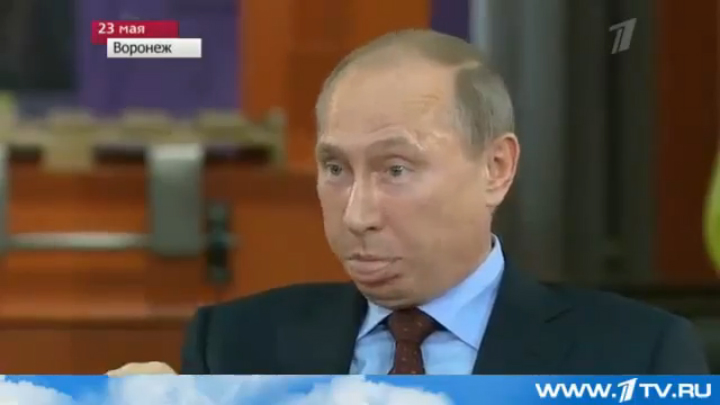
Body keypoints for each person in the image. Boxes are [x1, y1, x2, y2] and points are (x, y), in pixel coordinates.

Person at [107, 29, 709, 376]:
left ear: (496, 169)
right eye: (335, 169)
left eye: (396, 169)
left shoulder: (636, 356)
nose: (357, 215)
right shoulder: (234, 346)